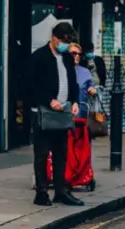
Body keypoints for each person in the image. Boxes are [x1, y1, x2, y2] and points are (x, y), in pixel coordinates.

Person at [28, 23, 83, 207]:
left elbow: (73, 82)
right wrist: (49, 100)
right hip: (44, 112)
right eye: (62, 41)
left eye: (68, 42)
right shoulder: (39, 57)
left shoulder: (67, 57)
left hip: (63, 112)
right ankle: (41, 192)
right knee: (42, 154)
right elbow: (30, 85)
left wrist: (75, 101)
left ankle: (61, 191)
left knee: (61, 153)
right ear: (54, 38)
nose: (65, 45)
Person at [63, 44, 97, 193]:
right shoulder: (61, 70)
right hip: (64, 115)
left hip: (81, 116)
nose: (76, 56)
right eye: (73, 54)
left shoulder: (85, 72)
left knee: (81, 148)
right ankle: (66, 175)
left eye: (78, 54)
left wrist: (92, 90)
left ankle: (81, 174)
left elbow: (93, 86)